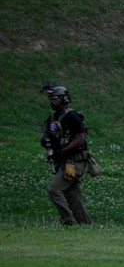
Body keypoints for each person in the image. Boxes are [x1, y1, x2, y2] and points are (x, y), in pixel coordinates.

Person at [40, 85, 92, 225]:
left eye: (55, 98)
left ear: (64, 99)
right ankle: (85, 225)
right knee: (72, 195)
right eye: (50, 99)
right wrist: (46, 142)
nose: (52, 101)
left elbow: (79, 139)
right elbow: (51, 139)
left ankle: (68, 221)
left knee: (54, 189)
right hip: (64, 162)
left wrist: (61, 152)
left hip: (76, 162)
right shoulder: (52, 119)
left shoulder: (72, 117)